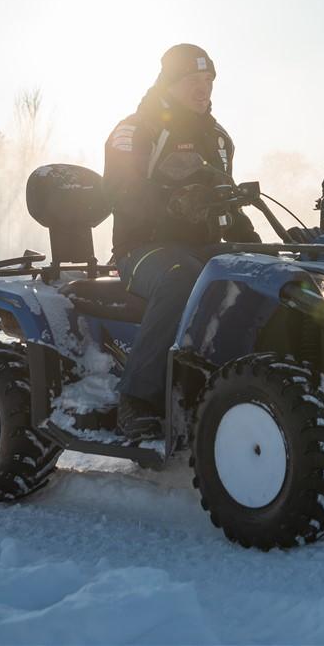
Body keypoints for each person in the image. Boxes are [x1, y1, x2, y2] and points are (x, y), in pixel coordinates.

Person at [103, 44, 260, 439]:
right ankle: (136, 399)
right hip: (142, 248)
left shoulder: (218, 138)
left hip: (204, 246)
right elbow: (120, 193)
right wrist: (172, 204)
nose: (203, 89)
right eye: (192, 80)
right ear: (169, 83)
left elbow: (228, 203)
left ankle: (240, 386)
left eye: (208, 81)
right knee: (180, 277)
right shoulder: (137, 129)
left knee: (262, 275)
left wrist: (258, 245)